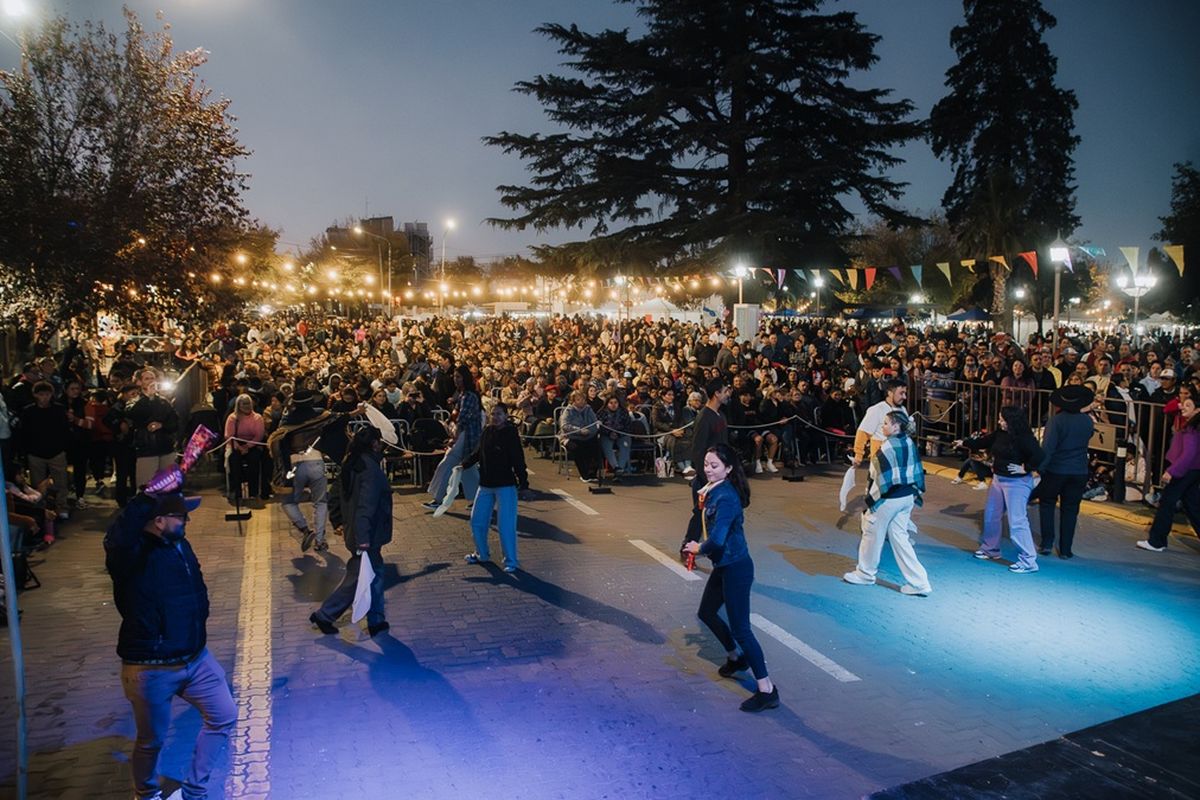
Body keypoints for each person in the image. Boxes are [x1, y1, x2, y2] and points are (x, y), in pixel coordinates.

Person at [104, 480, 236, 800]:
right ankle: (146, 794)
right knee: (151, 741)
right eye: (181, 516)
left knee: (224, 715)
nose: (187, 522)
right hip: (151, 668)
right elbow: (117, 539)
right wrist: (145, 498)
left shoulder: (179, 544)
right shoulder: (130, 554)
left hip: (195, 657)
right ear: (158, 520)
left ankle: (194, 792)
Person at [681, 443, 779, 713]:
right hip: (725, 565)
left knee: (742, 630)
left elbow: (718, 537)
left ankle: (767, 689)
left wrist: (697, 548)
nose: (708, 470)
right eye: (706, 465)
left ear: (729, 468)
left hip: (736, 567)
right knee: (707, 613)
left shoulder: (725, 497)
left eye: (714, 466)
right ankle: (736, 658)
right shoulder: (712, 491)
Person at [310, 425, 392, 636]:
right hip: (366, 534)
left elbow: (336, 494)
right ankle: (326, 615)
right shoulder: (370, 470)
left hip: (356, 531)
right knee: (359, 578)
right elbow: (367, 505)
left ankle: (375, 618)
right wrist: (363, 538)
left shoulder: (352, 462)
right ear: (374, 443)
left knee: (370, 574)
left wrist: (338, 521)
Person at [842, 411, 932, 595]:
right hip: (907, 497)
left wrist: (869, 501)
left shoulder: (886, 448)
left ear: (896, 426)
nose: (882, 426)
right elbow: (916, 471)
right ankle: (920, 582)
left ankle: (865, 574)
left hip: (889, 500)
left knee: (871, 533)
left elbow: (877, 480)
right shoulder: (909, 442)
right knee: (900, 539)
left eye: (885, 423)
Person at [964, 406, 1045, 573]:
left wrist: (1027, 468)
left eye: (1002, 419)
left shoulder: (1024, 438)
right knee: (992, 515)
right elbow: (984, 442)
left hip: (1017, 483)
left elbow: (1040, 455)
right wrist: (964, 443)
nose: (999, 421)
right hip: (998, 479)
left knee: (1017, 521)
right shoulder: (1000, 434)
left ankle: (1029, 560)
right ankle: (990, 549)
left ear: (1011, 421)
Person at [462, 403, 529, 573]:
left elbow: (518, 458)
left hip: (505, 485)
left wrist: (524, 483)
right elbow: (478, 452)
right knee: (477, 520)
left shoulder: (510, 433)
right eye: (493, 414)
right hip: (486, 484)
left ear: (506, 416)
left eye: (499, 414)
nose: (495, 417)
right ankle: (481, 553)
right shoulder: (487, 432)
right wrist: (465, 463)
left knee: (506, 525)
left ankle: (511, 561)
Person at [1037, 385, 1095, 558]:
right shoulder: (1087, 421)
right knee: (1070, 510)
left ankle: (1047, 543)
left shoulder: (1056, 421)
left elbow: (1048, 448)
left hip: (1056, 469)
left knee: (1047, 504)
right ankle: (1065, 549)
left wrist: (1039, 468)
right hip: (1078, 471)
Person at [1136, 396, 1200, 552]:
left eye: (1188, 405)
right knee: (1192, 505)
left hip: (1185, 470)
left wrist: (1173, 471)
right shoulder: (1193, 426)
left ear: (1197, 410)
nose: (1183, 407)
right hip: (1193, 470)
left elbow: (1188, 455)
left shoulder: (1192, 429)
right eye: (1183, 404)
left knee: (1167, 502)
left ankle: (1157, 541)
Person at [424, 364, 483, 512]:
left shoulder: (468, 395)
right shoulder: (464, 394)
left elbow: (463, 419)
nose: (456, 380)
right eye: (455, 377)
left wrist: (455, 437)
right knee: (467, 468)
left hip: (466, 436)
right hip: (467, 436)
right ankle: (477, 499)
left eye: (458, 377)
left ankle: (438, 498)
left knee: (447, 464)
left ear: (465, 378)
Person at [682, 378, 730, 548]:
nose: (727, 394)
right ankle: (688, 547)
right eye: (725, 391)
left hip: (721, 474)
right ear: (716, 394)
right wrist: (707, 476)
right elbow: (698, 449)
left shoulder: (720, 415)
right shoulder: (704, 417)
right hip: (706, 477)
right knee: (700, 513)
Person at [126, 368, 180, 489]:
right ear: (139, 382)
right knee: (146, 486)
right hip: (147, 449)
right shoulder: (135, 400)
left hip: (165, 448)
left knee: (168, 485)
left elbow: (174, 422)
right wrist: (147, 397)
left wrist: (163, 426)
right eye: (147, 378)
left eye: (153, 378)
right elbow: (133, 414)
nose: (151, 381)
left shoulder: (163, 401)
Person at [852, 378, 907, 466]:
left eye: (905, 393)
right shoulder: (876, 409)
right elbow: (863, 433)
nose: (904, 397)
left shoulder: (903, 410)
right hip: (881, 461)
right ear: (890, 393)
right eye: (901, 393)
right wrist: (858, 455)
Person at [223, 393, 266, 503]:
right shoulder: (232, 418)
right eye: (244, 404)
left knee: (254, 461)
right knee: (234, 462)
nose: (247, 406)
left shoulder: (257, 417)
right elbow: (229, 436)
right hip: (235, 445)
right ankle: (236, 492)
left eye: (248, 403)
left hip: (253, 444)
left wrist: (248, 446)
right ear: (239, 405)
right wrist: (239, 447)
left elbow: (259, 435)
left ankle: (254, 492)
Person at [560, 389, 602, 482]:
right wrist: (579, 431)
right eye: (578, 399)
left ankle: (592, 473)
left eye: (583, 399)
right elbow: (564, 426)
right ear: (573, 401)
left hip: (588, 436)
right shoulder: (568, 411)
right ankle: (584, 474)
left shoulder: (588, 409)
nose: (581, 401)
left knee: (596, 447)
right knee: (577, 449)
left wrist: (589, 432)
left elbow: (595, 423)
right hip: (572, 437)